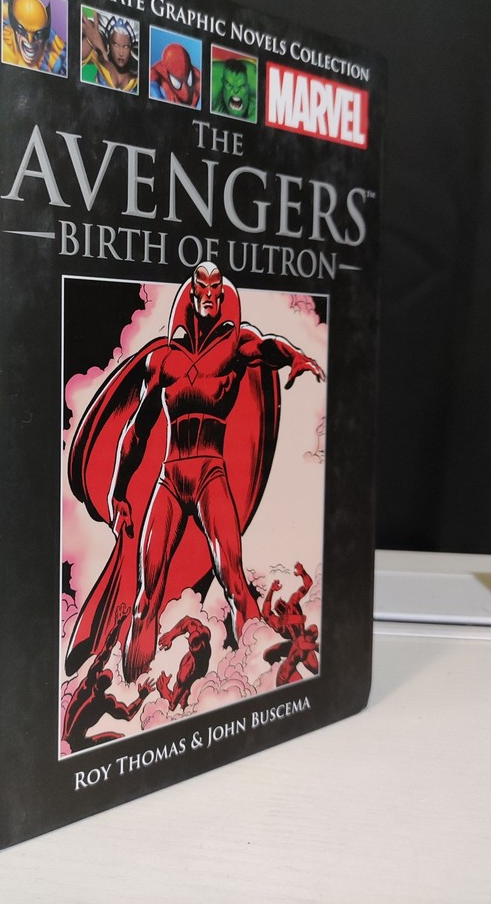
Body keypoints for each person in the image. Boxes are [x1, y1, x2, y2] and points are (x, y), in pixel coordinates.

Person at [66, 262, 326, 680]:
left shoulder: (235, 346)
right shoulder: (162, 361)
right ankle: (134, 684)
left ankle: (257, 678)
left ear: (222, 294)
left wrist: (292, 355)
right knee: (146, 595)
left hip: (210, 476)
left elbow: (266, 348)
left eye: (215, 288)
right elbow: (136, 431)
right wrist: (117, 491)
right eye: (201, 287)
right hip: (169, 479)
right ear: (191, 294)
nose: (209, 296)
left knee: (233, 580)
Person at [62, 605, 155, 753]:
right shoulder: (90, 684)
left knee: (118, 738)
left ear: (107, 684)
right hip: (68, 742)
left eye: (104, 679)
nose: (101, 679)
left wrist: (142, 696)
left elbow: (128, 714)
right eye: (102, 677)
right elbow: (106, 650)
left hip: (77, 743)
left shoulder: (104, 700)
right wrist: (117, 624)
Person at [261, 563, 320, 684]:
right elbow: (265, 614)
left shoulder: (291, 606)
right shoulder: (282, 620)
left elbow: (307, 584)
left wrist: (302, 572)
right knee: (268, 654)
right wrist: (302, 572)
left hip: (301, 644)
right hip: (295, 645)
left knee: (316, 668)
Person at [1, 0, 67, 74]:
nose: (30, 40)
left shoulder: (55, 52)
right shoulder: (2, 37)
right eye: (23, 30)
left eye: (38, 33)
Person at [156, 616, 211, 711]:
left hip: (188, 701)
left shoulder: (187, 671)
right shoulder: (202, 632)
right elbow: (188, 621)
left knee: (183, 700)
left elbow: (172, 705)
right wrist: (170, 635)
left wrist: (163, 689)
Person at [81, 11, 138, 91]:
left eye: (125, 47)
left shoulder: (138, 64)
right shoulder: (98, 54)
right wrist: (90, 41)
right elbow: (71, 61)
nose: (121, 53)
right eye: (116, 45)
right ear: (109, 44)